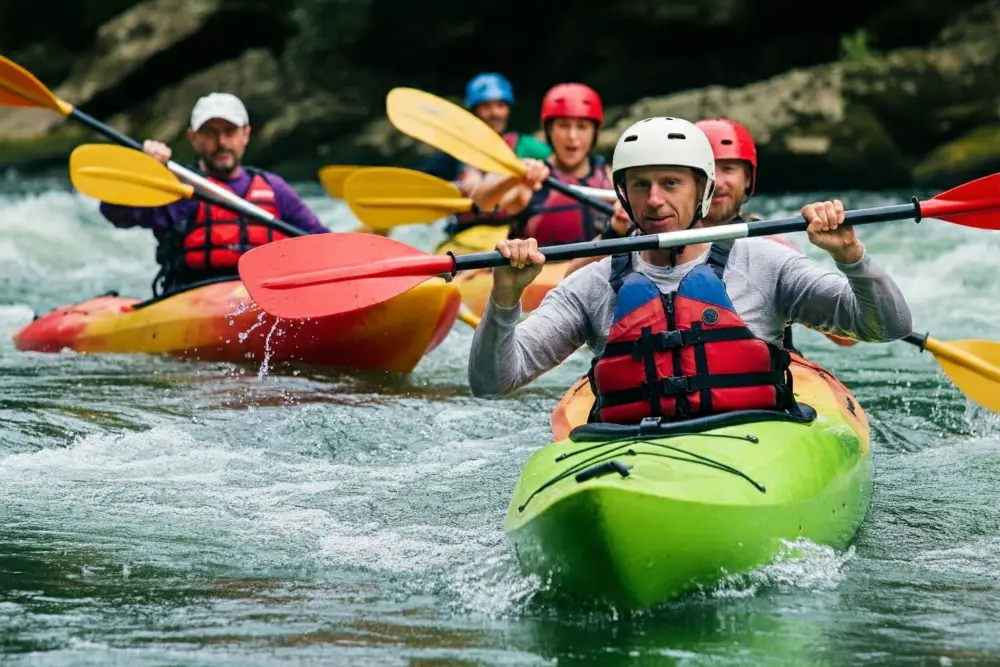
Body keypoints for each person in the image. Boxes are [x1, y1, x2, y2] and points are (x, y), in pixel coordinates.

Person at [467, 116, 912, 423]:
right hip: (633, 452)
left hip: (752, 438)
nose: (655, 199)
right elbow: (492, 381)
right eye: (640, 185)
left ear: (703, 189)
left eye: (671, 183)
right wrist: (504, 297)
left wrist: (851, 256)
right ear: (622, 193)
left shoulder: (766, 261)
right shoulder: (593, 284)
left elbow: (888, 326)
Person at [99, 92, 328, 295]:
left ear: (246, 134)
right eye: (209, 133)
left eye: (230, 131)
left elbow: (323, 242)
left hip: (264, 296)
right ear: (193, 138)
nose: (221, 142)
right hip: (192, 299)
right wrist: (143, 168)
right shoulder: (175, 187)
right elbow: (115, 213)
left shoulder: (275, 189)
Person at [695, 117, 857, 350]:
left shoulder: (772, 246)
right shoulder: (653, 247)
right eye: (707, 171)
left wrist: (848, 255)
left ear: (748, 178)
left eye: (728, 169)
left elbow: (847, 336)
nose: (717, 182)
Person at [470, 82, 629, 245]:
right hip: (544, 270)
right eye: (563, 126)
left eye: (582, 127)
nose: (572, 136)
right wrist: (513, 177)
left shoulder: (611, 178)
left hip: (599, 269)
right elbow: (480, 202)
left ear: (595, 132)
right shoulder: (531, 182)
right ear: (549, 130)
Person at [417, 73, 552, 235]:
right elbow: (424, 185)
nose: (494, 113)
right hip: (466, 234)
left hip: (514, 234)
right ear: (474, 111)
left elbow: (558, 167)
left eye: (500, 106)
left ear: (508, 109)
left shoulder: (525, 146)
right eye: (486, 107)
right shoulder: (458, 152)